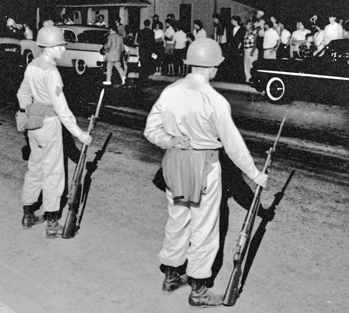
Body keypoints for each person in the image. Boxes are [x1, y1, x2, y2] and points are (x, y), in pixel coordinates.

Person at [144, 38, 268, 308]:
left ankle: (171, 277)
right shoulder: (214, 100)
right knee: (205, 228)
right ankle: (198, 290)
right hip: (204, 165)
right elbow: (233, 144)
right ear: (212, 67)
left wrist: (172, 141)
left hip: (175, 163)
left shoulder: (171, 91)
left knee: (178, 221)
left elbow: (150, 131)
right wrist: (254, 173)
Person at [17, 26, 92, 239]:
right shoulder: (52, 72)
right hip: (49, 125)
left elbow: (22, 93)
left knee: (35, 168)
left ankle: (28, 214)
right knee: (54, 173)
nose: (63, 50)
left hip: (34, 124)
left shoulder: (32, 65)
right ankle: (52, 223)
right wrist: (79, 134)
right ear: (50, 47)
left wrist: (30, 110)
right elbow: (62, 109)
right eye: (60, 45)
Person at [137, 19, 155, 85]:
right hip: (148, 50)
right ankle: (146, 77)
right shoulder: (151, 32)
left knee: (142, 63)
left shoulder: (140, 31)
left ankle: (141, 77)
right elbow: (153, 42)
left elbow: (138, 41)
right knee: (147, 63)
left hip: (142, 50)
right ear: (149, 24)